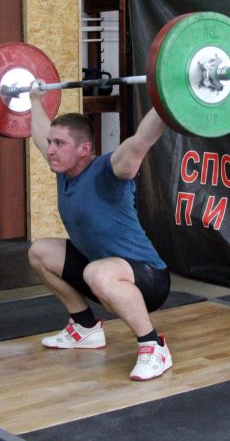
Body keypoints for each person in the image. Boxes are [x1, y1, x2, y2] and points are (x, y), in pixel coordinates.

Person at [27, 80, 172, 381]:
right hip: (103, 267)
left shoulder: (111, 170)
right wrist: (35, 99)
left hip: (147, 277)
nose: (50, 150)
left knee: (97, 273)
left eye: (59, 144)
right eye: (51, 143)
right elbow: (40, 132)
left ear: (85, 149)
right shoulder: (64, 169)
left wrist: (168, 96)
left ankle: (153, 346)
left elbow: (141, 140)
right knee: (40, 252)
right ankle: (85, 327)